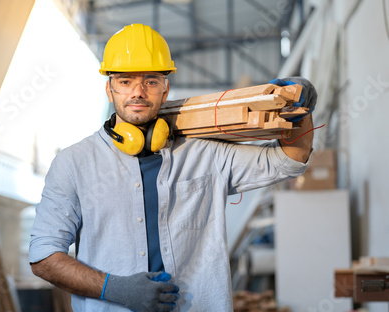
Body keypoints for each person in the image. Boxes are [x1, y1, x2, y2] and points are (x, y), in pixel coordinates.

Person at [29, 23, 316, 311]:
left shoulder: (203, 153)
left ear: (165, 90)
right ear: (110, 89)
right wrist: (115, 288)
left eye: (151, 81)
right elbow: (44, 257)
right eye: (126, 81)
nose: (138, 92)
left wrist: (300, 107)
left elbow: (288, 161)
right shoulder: (74, 164)